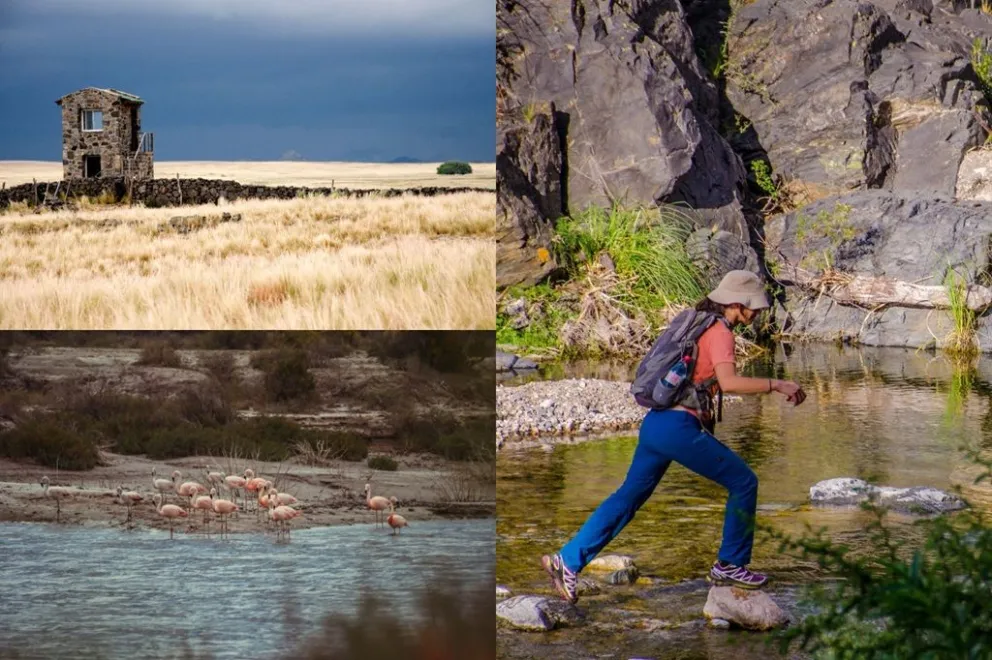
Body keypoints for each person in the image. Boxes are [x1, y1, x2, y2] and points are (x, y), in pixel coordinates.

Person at [542, 270, 807, 602]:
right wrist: (778, 384)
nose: (759, 313)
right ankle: (731, 564)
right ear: (738, 304)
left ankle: (566, 560)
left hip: (656, 424)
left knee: (628, 498)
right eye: (756, 307)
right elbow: (729, 383)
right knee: (744, 482)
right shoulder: (720, 332)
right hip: (678, 429)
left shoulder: (697, 322)